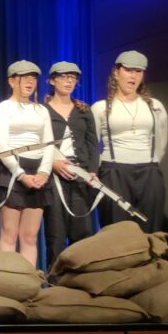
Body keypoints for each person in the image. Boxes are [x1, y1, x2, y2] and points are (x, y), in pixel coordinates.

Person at [91, 51, 168, 233]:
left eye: (138, 71)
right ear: (116, 72)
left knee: (149, 229)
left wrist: (151, 163)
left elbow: (162, 142)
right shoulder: (101, 107)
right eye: (128, 70)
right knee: (115, 230)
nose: (133, 76)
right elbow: (92, 145)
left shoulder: (154, 106)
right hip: (114, 171)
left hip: (149, 171)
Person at [0, 60, 54, 267]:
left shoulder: (41, 110)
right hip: (12, 171)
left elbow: (49, 144)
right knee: (9, 234)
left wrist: (44, 173)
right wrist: (20, 174)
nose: (30, 82)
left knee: (29, 236)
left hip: (37, 172)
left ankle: (29, 282)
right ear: (12, 81)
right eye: (24, 77)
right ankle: (9, 281)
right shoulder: (4, 107)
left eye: (33, 78)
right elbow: (2, 146)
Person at [42, 61, 97, 266]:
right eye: (64, 77)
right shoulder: (42, 110)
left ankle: (81, 277)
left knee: (82, 230)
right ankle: (55, 278)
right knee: (56, 231)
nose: (69, 81)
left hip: (80, 175)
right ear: (52, 81)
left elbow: (92, 144)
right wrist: (53, 163)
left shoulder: (83, 110)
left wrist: (92, 171)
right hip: (54, 176)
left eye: (73, 78)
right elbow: (37, 143)